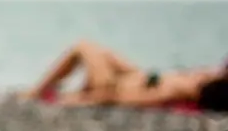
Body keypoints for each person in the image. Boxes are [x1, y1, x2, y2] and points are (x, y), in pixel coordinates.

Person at [20, 40, 228, 111]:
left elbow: (139, 99)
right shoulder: (204, 78)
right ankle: (36, 91)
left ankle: (34, 93)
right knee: (101, 52)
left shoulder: (188, 88)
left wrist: (81, 100)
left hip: (113, 87)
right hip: (131, 77)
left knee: (83, 46)